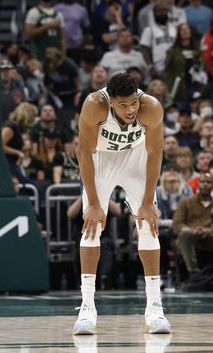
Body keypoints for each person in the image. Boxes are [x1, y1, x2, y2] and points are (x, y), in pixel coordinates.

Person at [73, 72, 171, 335]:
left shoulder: (151, 108)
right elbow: (83, 152)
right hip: (101, 159)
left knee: (148, 225)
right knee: (91, 226)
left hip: (135, 158)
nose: (130, 110)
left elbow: (155, 153)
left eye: (133, 103)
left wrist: (148, 201)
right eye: (123, 105)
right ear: (111, 102)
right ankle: (87, 306)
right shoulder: (94, 105)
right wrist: (94, 203)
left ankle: (154, 307)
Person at [172, 172, 213, 279]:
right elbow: (177, 225)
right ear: (198, 184)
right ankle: (195, 274)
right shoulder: (186, 202)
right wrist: (192, 230)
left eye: (208, 182)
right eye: (202, 182)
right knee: (185, 234)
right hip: (189, 238)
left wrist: (206, 231)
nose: (205, 184)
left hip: (209, 239)